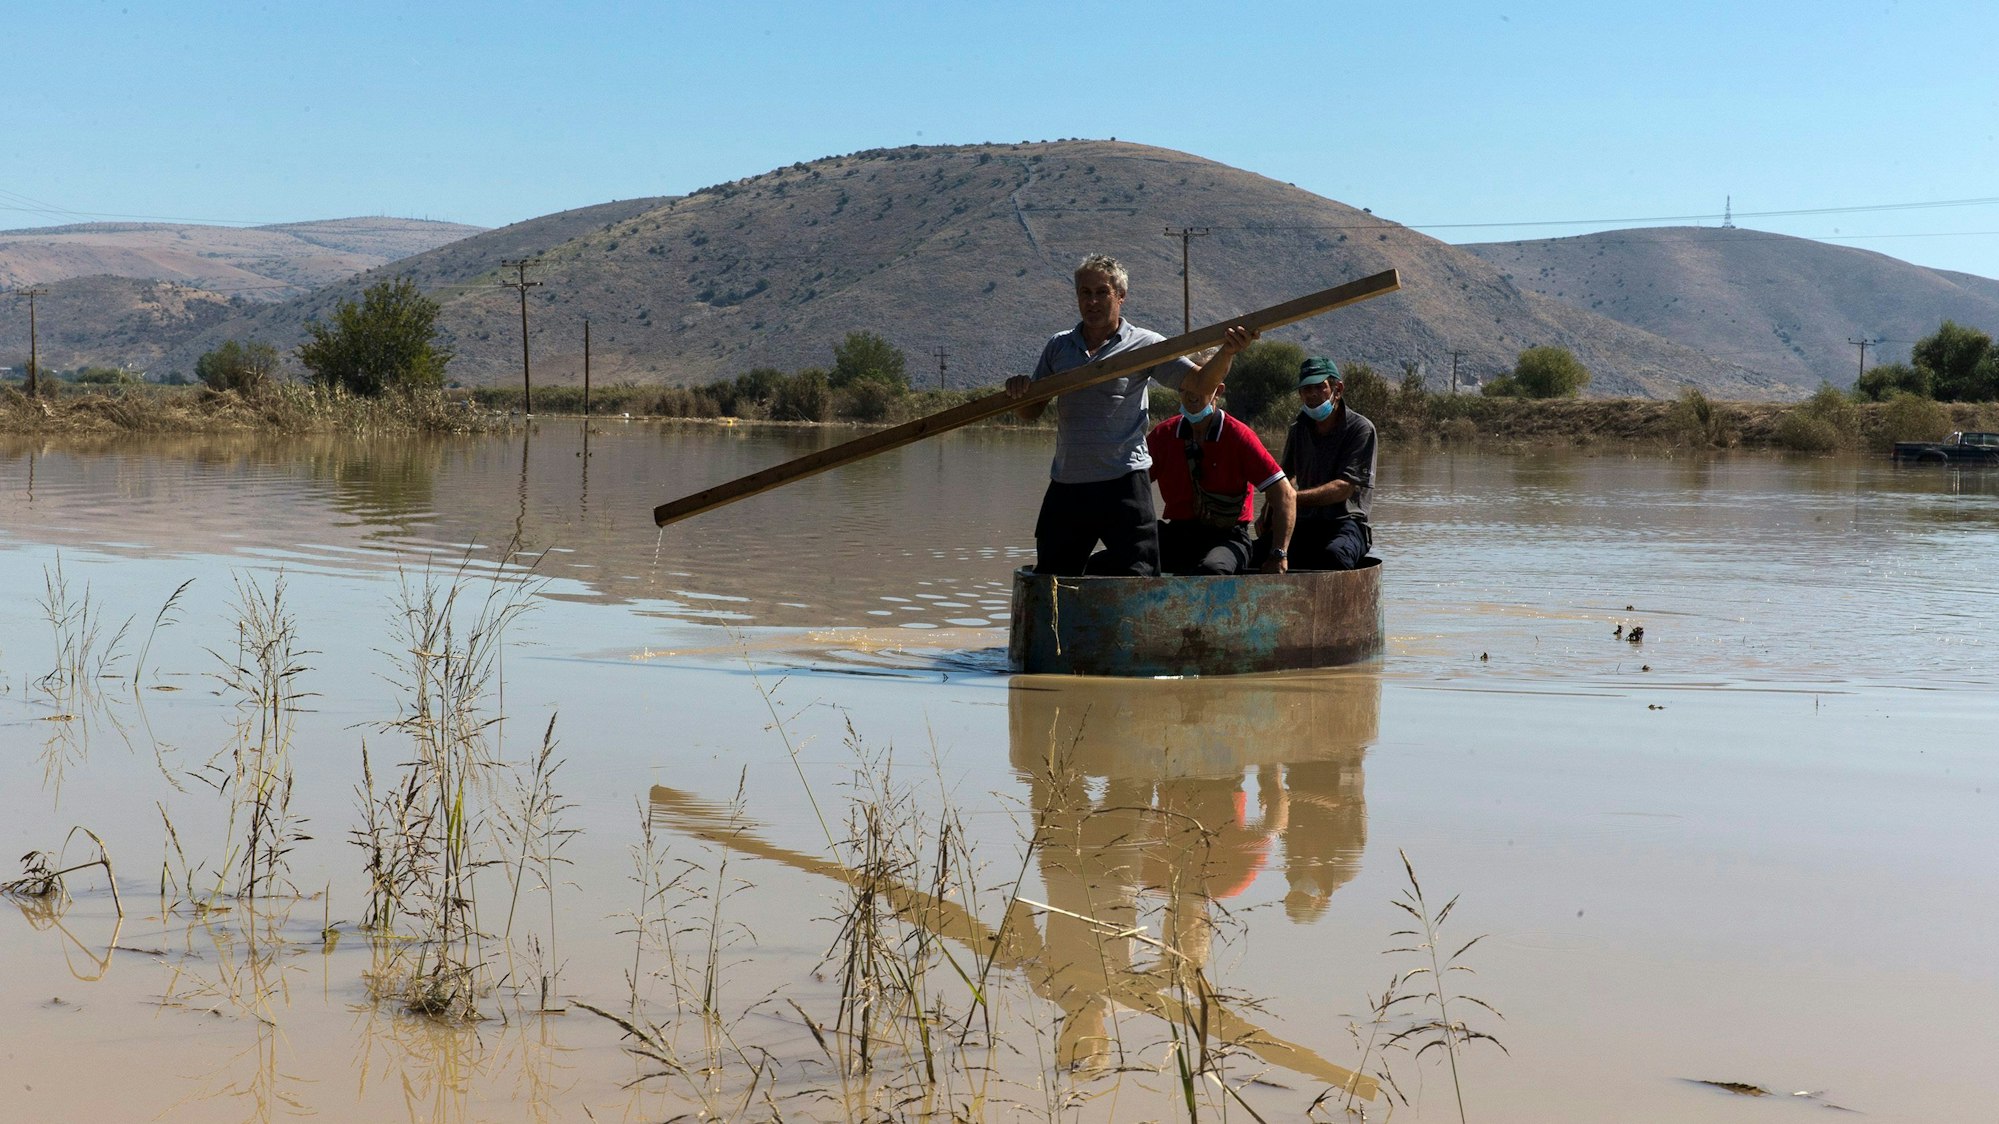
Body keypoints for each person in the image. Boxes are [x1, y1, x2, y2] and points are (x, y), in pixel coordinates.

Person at [1005, 254, 1256, 576]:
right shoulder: (1059, 346)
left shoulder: (1145, 344)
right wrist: (1020, 392)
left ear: (1120, 296)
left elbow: (1200, 383)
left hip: (1123, 483)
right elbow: (1030, 412)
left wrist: (1228, 351)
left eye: (1102, 292)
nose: (1092, 301)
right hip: (1068, 483)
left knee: (1138, 577)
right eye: (1085, 293)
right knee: (1052, 579)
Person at [1145, 379, 1296, 575]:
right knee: (1116, 560)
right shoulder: (1163, 434)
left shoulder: (1238, 435)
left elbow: (1285, 495)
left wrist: (1278, 554)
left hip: (1229, 537)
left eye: (1200, 386)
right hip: (1178, 532)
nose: (1191, 395)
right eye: (1184, 388)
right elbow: (1133, 486)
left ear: (1218, 391)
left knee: (1212, 570)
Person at [1271, 356, 1376, 571]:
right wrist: (1271, 509)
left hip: (1346, 523)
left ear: (1338, 389)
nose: (1312, 394)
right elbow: (1285, 477)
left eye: (1320, 387)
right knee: (1259, 553)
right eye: (1306, 389)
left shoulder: (1360, 429)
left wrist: (1291, 499)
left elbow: (1342, 488)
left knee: (1334, 556)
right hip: (1305, 520)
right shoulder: (1298, 429)